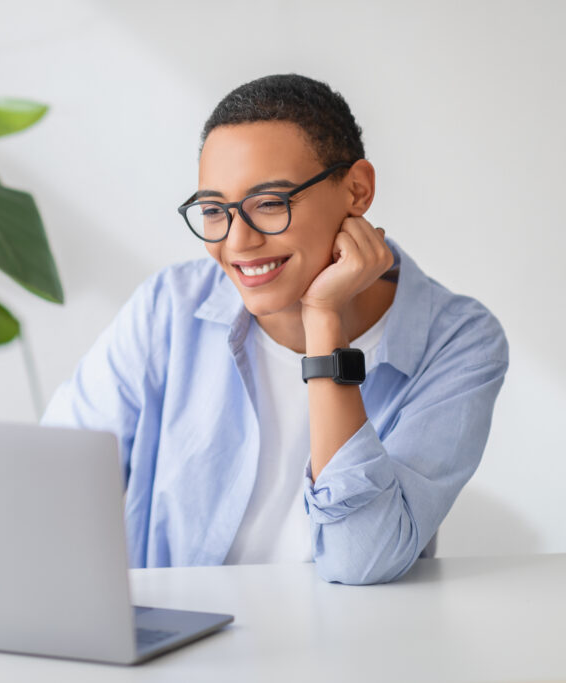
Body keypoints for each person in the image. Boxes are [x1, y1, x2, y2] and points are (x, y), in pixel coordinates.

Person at [41, 74, 509, 585]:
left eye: (269, 203)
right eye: (215, 211)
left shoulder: (458, 342)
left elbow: (362, 558)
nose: (237, 243)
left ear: (357, 190)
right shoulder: (168, 308)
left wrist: (324, 321)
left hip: (354, 655)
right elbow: (47, 490)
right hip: (177, 654)